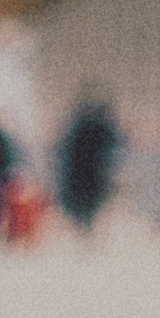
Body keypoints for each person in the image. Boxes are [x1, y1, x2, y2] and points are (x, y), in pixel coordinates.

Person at [56, 96, 120, 232]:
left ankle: (86, 224)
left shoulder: (82, 127)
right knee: (87, 200)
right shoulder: (92, 128)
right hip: (87, 172)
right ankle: (85, 224)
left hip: (89, 172)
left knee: (88, 200)